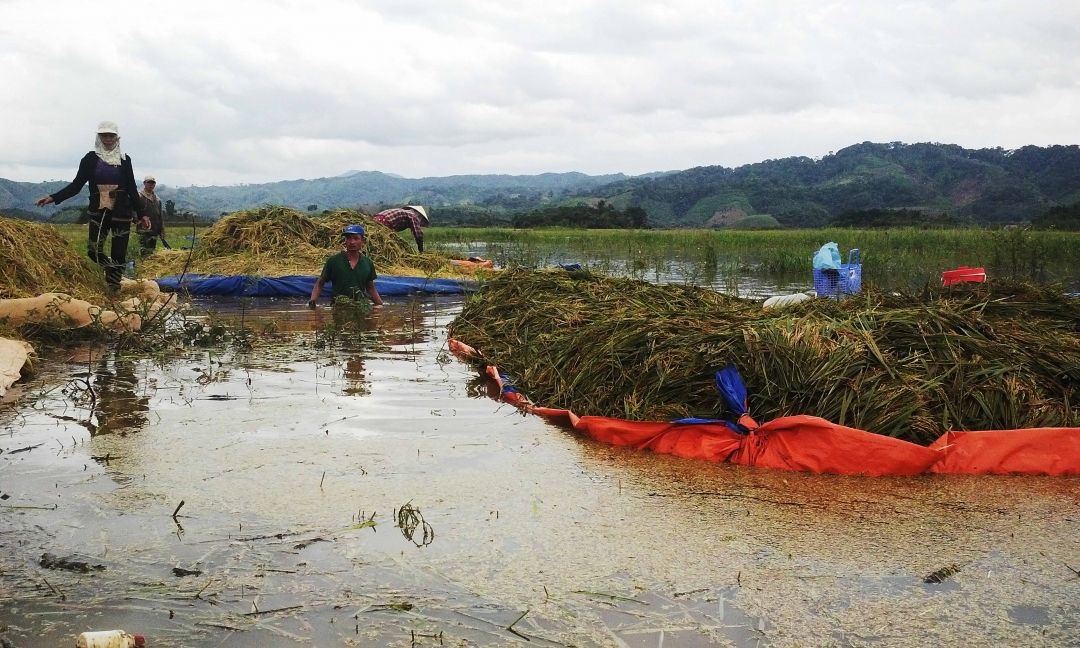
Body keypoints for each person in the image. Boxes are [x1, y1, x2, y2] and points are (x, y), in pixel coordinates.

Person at [35, 121, 149, 288]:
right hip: (98, 209)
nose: (108, 139)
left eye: (111, 136)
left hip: (121, 210)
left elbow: (131, 188)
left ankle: (114, 289)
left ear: (117, 138)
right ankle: (109, 268)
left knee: (119, 254)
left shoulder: (125, 160)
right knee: (93, 250)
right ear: (99, 137)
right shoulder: (90, 159)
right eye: (104, 136)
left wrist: (142, 213)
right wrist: (53, 197)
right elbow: (76, 185)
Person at [308, 224, 384, 308]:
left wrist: (380, 305)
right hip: (338, 307)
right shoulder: (334, 261)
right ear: (345, 240)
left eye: (355, 238)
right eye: (348, 238)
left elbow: (370, 288)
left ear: (363, 241)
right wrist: (312, 303)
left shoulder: (367, 263)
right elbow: (320, 283)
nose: (352, 242)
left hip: (360, 307)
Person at [136, 175, 166, 256]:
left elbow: (160, 216)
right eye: (149, 183)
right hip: (143, 229)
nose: (151, 185)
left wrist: (162, 229)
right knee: (144, 251)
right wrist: (138, 220)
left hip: (155, 229)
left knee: (151, 251)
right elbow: (134, 210)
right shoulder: (139, 196)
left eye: (153, 183)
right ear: (144, 183)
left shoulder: (157, 199)